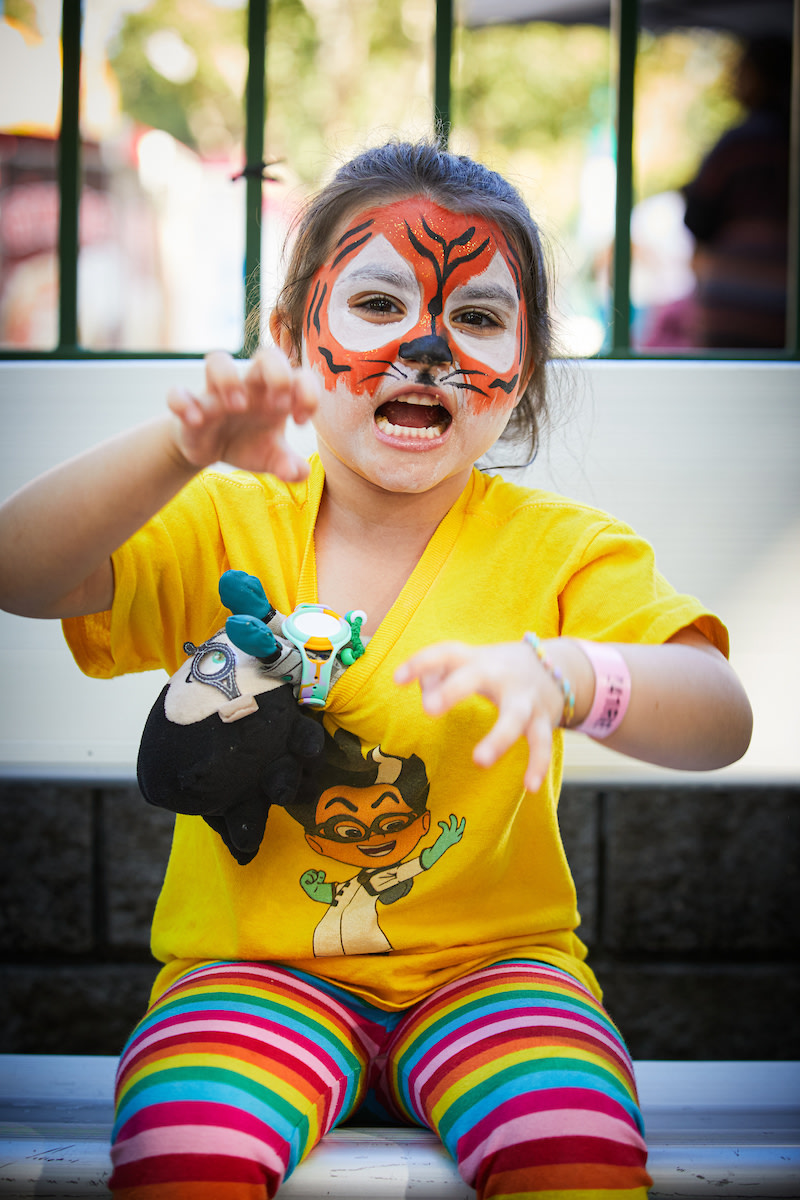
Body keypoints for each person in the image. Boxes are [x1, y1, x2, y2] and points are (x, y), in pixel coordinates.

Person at [0, 140, 752, 1199]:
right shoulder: (224, 521)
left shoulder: (564, 554)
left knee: (572, 1159)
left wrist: (572, 674)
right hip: (253, 985)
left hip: (498, 980)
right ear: (289, 337)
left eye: (480, 318)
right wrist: (182, 450)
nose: (427, 346)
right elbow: (19, 569)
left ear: (522, 373)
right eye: (376, 302)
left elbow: (720, 716)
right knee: (186, 1159)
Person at [682, 36, 792, 349]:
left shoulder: (739, 145)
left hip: (735, 306)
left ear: (763, 77)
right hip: (785, 316)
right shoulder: (784, 141)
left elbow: (698, 217)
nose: (734, 80)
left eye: (742, 71)